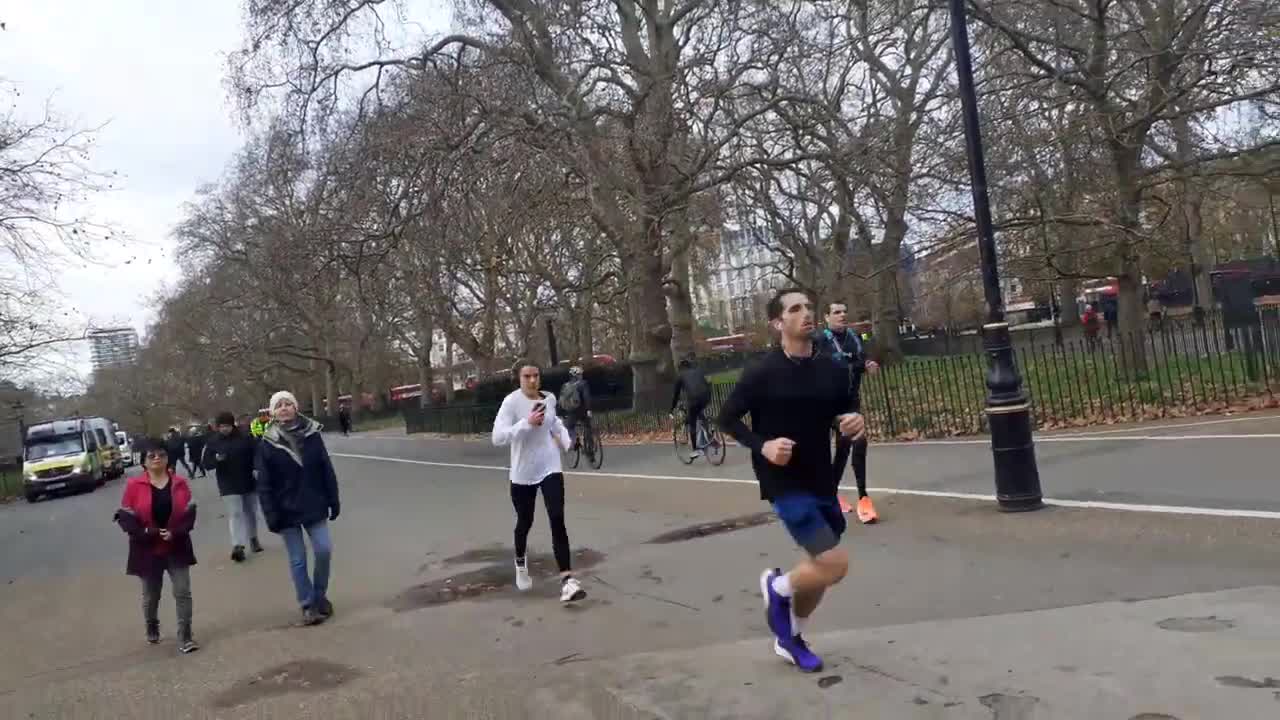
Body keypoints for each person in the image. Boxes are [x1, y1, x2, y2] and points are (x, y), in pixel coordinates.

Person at [718, 287, 866, 673]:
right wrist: (762, 445)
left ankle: (791, 636)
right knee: (835, 563)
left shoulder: (832, 368)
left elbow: (846, 409)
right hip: (784, 482)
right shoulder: (761, 373)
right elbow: (727, 419)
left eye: (809, 307)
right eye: (795, 309)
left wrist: (853, 420)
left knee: (817, 572)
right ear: (777, 322)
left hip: (822, 478)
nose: (806, 314)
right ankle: (777, 589)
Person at [491, 361, 586, 603]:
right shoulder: (511, 402)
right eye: (527, 376)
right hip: (523, 473)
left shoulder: (550, 398)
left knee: (557, 518)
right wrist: (526, 423)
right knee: (525, 521)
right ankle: (520, 563)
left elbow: (555, 424)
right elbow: (497, 437)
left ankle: (568, 581)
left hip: (550, 466)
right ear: (519, 379)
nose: (533, 380)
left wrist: (568, 442)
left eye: (536, 375)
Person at [255, 391, 341, 626]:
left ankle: (319, 596)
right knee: (298, 559)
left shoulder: (312, 435)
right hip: (285, 509)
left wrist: (333, 499)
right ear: (273, 412)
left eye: (288, 404)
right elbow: (264, 484)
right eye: (279, 405)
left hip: (314, 502)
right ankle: (307, 604)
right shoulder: (267, 443)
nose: (284, 408)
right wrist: (271, 514)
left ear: (296, 408)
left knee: (323, 550)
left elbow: (325, 467)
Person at [113, 438, 200, 653]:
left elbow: (189, 515)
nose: (157, 459)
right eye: (151, 456)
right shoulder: (134, 486)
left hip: (177, 546)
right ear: (143, 461)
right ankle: (152, 624)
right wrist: (148, 533)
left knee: (183, 592)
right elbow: (126, 519)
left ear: (168, 458)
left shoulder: (180, 484)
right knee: (151, 596)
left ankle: (185, 636)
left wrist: (175, 532)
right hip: (147, 549)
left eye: (161, 454)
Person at [816, 301, 881, 524]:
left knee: (844, 447)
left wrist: (869, 365)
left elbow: (862, 360)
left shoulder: (853, 337)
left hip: (851, 401)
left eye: (845, 311)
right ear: (826, 317)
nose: (842, 315)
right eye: (836, 312)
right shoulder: (820, 340)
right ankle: (863, 496)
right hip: (828, 404)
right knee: (859, 440)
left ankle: (833, 495)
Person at [203, 411, 263, 563]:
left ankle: (253, 538)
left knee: (250, 512)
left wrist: (257, 468)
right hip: (227, 483)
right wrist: (216, 459)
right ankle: (238, 545)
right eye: (221, 426)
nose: (224, 429)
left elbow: (257, 453)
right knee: (235, 513)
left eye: (227, 426)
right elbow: (206, 463)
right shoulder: (213, 442)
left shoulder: (245, 437)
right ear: (217, 427)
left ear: (232, 425)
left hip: (248, 479)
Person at [670, 356, 711, 460]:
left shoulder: (681, 376)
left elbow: (676, 394)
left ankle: (695, 450)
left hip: (694, 400)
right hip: (706, 397)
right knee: (699, 412)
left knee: (692, 423)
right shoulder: (698, 371)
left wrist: (671, 409)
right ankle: (709, 432)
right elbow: (707, 384)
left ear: (680, 368)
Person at [558, 365, 593, 453]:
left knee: (569, 427)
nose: (582, 375)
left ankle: (574, 442)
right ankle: (590, 447)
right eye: (580, 374)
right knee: (587, 427)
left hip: (571, 412)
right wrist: (588, 409)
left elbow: (561, 400)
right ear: (578, 375)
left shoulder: (565, 386)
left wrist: (560, 413)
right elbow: (587, 397)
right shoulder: (583, 383)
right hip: (583, 411)